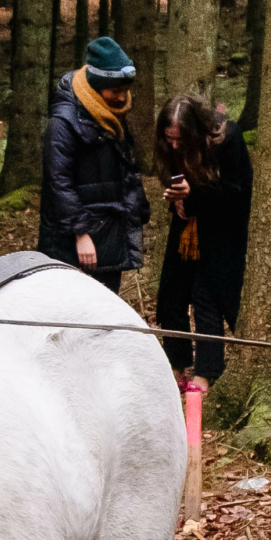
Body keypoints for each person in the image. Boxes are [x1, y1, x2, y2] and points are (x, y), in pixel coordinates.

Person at [152, 96, 252, 389]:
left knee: (208, 295)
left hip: (222, 228)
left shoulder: (227, 139)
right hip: (187, 225)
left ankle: (206, 372)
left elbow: (238, 195)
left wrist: (192, 195)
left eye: (179, 139)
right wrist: (177, 201)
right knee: (170, 294)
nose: (173, 145)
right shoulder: (169, 146)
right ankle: (177, 363)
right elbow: (174, 179)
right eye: (168, 139)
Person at [37, 36, 149, 292]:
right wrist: (81, 233)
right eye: (115, 91)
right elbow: (59, 183)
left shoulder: (108, 114)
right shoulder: (63, 123)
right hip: (76, 244)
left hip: (108, 235)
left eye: (125, 90)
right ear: (97, 88)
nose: (122, 98)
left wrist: (137, 209)